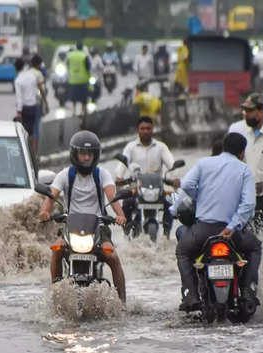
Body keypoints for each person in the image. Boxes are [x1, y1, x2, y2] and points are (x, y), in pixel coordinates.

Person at [174, 133, 261, 312]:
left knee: (183, 251)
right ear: (242, 152)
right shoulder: (244, 169)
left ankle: (190, 295)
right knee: (254, 248)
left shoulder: (204, 163)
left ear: (223, 148)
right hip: (231, 233)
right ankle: (247, 293)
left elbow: (187, 184)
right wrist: (232, 226)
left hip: (203, 230)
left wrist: (200, 197)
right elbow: (249, 204)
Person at [39, 131, 127, 302]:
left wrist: (120, 215)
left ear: (95, 155)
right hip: (70, 226)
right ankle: (56, 295)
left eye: (90, 154)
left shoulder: (102, 174)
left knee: (112, 257)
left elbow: (112, 196)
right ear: (75, 154)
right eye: (82, 153)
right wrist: (45, 212)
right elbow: (51, 195)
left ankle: (122, 302)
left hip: (99, 227)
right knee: (56, 251)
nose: (86, 158)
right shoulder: (65, 174)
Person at [115, 116, 180, 237]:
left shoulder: (161, 147)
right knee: (127, 203)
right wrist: (119, 177)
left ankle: (166, 234)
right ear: (138, 130)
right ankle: (127, 232)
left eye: (148, 128)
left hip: (156, 187)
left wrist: (175, 178)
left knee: (170, 204)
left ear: (152, 129)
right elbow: (122, 164)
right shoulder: (130, 147)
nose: (145, 131)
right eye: (142, 128)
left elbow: (171, 163)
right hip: (136, 187)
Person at [231, 93, 263, 196]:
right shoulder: (242, 134)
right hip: (245, 196)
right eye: (245, 110)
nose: (246, 114)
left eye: (250, 111)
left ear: (261, 111)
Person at [14, 57, 38, 142]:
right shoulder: (32, 76)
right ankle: (31, 151)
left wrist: (19, 112)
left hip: (24, 109)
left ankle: (26, 150)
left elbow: (19, 97)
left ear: (16, 68)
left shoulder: (18, 80)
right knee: (31, 131)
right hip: (33, 107)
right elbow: (35, 92)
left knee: (23, 132)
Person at [30, 54, 48, 160]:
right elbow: (42, 89)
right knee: (36, 128)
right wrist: (46, 103)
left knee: (29, 129)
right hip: (36, 103)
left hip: (26, 105)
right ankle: (34, 154)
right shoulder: (39, 74)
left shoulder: (27, 73)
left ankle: (29, 152)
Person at [67, 40, 91, 118]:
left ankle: (73, 111)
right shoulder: (84, 55)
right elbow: (88, 67)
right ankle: (82, 112)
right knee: (83, 97)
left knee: (74, 96)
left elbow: (68, 65)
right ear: (82, 47)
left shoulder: (70, 55)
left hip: (73, 80)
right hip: (83, 80)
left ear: (76, 47)